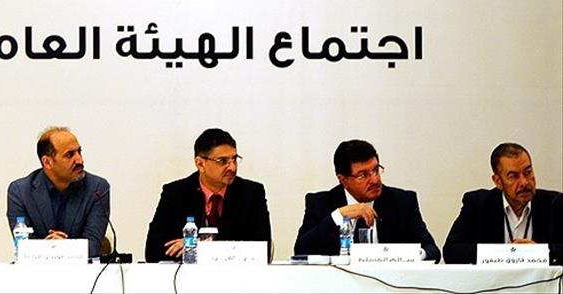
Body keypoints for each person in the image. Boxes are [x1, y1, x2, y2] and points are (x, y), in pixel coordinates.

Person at [294, 139, 440, 261]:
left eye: (375, 170)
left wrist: (405, 257)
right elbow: (301, 251)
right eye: (363, 175)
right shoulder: (320, 203)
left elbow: (432, 250)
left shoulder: (402, 202)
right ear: (343, 180)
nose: (375, 180)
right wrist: (338, 216)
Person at [145, 128, 272, 262]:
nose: (232, 167)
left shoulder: (251, 194)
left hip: (236, 274)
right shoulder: (175, 193)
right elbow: (153, 251)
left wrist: (196, 246)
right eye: (222, 161)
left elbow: (262, 250)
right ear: (200, 164)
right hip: (187, 274)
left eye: (234, 159)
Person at [443, 142, 562, 264]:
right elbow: (451, 251)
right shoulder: (478, 204)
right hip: (494, 277)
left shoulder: (555, 203)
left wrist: (540, 252)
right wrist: (505, 253)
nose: (524, 182)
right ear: (498, 181)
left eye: (528, 172)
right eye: (513, 176)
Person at [7, 126, 109, 258]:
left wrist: (61, 247)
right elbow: (24, 246)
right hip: (37, 268)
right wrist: (56, 248)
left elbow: (93, 245)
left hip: (82, 269)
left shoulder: (97, 189)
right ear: (47, 162)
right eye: (69, 155)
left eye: (79, 152)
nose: (80, 160)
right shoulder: (20, 192)